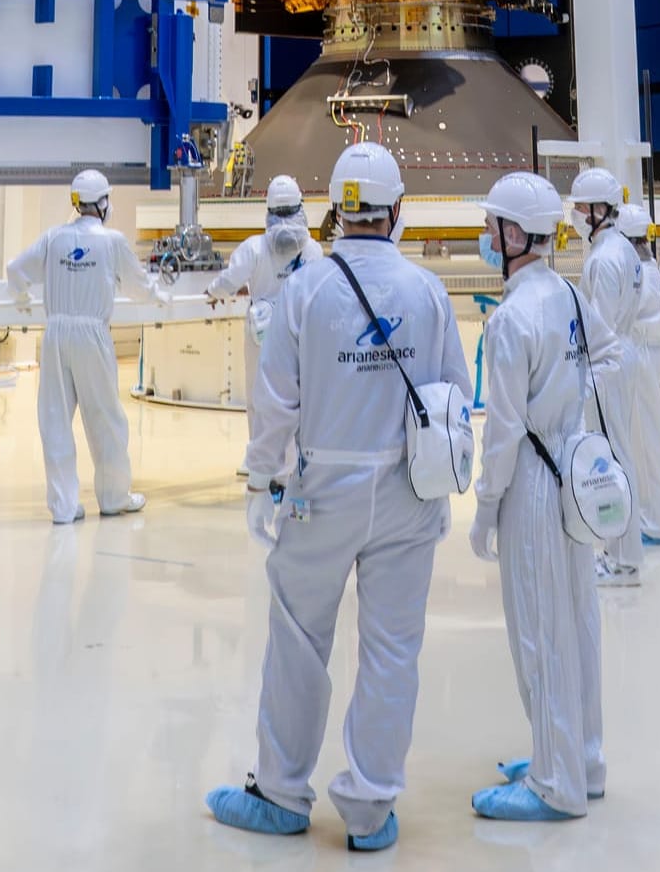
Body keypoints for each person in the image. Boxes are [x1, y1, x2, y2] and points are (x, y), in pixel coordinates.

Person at [208, 141, 470, 853]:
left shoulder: (306, 291)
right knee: (392, 650)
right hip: (408, 494)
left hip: (321, 493)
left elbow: (275, 405)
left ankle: (280, 792)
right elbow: (454, 394)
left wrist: (261, 479)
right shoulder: (427, 291)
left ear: (335, 211)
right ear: (398, 210)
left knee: (297, 641)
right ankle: (370, 809)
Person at [468, 172, 605, 823]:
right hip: (573, 476)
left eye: (491, 224)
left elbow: (502, 430)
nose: (485, 235)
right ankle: (582, 758)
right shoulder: (569, 296)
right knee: (576, 623)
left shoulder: (512, 320)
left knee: (540, 632)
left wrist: (485, 506)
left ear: (514, 234)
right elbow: (601, 365)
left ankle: (555, 783)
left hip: (532, 482)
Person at [6, 169, 163, 525]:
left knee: (55, 420)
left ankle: (63, 507)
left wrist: (21, 298)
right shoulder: (112, 242)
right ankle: (113, 497)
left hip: (55, 335)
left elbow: (16, 269)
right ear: (103, 202)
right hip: (92, 336)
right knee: (105, 417)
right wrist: (161, 296)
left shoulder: (53, 238)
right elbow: (139, 286)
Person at [207, 174, 320, 457]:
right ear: (300, 207)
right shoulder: (313, 250)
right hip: (300, 333)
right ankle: (296, 464)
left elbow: (228, 280)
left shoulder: (253, 247)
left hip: (261, 333)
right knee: (300, 398)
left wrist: (213, 292)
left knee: (259, 398)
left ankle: (262, 462)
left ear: (268, 210)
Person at [570, 167, 644, 585]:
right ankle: (623, 552)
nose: (577, 216)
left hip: (607, 362)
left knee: (611, 459)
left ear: (600, 209)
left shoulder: (603, 259)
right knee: (621, 454)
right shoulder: (622, 250)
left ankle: (621, 559)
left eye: (581, 208)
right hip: (624, 354)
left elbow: (598, 325)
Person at [614, 204, 660, 548]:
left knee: (646, 444)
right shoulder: (652, 268)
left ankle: (654, 525)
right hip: (659, 355)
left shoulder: (635, 272)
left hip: (644, 357)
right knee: (651, 441)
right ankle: (651, 518)